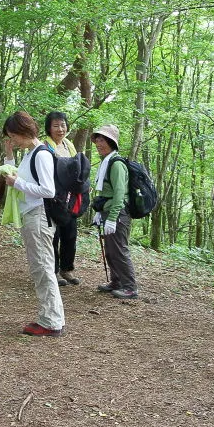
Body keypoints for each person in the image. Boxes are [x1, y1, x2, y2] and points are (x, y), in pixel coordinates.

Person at [2, 111, 66, 337]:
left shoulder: (41, 154)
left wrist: (17, 183)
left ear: (23, 131)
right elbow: (16, 177)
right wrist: (9, 157)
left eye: (13, 136)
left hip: (39, 216)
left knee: (43, 268)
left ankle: (51, 322)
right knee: (41, 267)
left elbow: (48, 191)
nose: (13, 140)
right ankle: (52, 317)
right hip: (32, 216)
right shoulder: (30, 154)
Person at [91, 124, 138, 299]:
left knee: (119, 249)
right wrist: (99, 212)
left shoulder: (116, 164)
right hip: (108, 212)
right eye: (97, 140)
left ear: (111, 142)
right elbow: (105, 192)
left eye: (102, 139)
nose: (98, 143)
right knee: (110, 250)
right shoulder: (106, 162)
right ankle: (116, 281)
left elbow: (119, 194)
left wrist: (111, 217)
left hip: (118, 214)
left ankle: (130, 287)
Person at [43, 111, 80, 287]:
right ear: (49, 128)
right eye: (56, 125)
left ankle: (67, 268)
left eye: (63, 125)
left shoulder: (69, 145)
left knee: (70, 233)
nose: (60, 129)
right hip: (53, 197)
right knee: (54, 235)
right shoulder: (45, 146)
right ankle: (54, 271)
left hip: (71, 197)